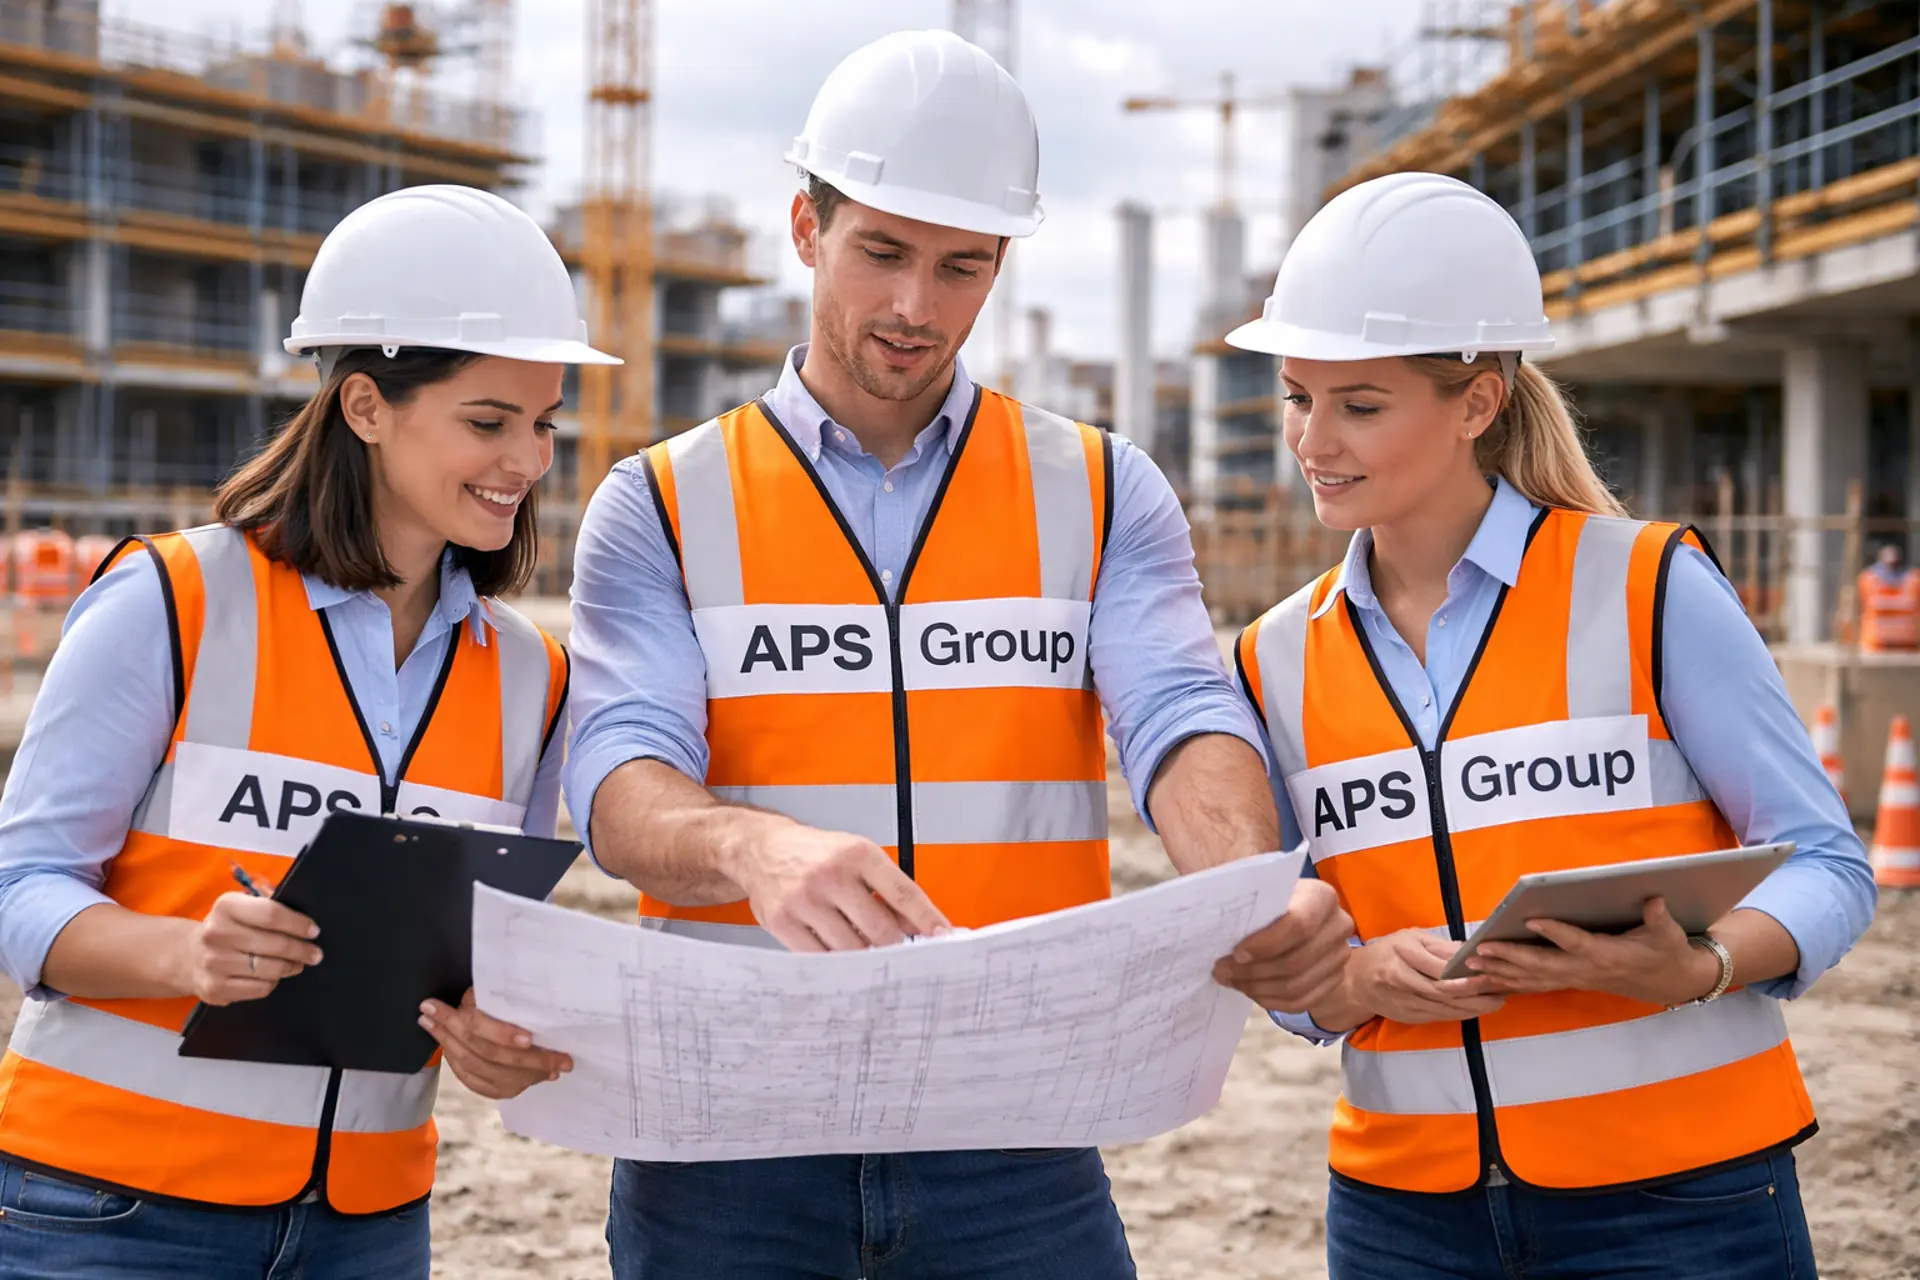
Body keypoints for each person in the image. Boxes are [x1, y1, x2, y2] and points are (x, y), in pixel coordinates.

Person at [566, 29, 1354, 1279]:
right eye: (881, 251)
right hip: (727, 1139)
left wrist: (1251, 890)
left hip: (1016, 1129)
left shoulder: (1099, 489)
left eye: (961, 266)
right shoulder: (660, 501)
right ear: (805, 226)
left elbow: (1179, 714)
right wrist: (752, 846)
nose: (913, 307)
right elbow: (618, 780)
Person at [1227, 172, 1876, 1279]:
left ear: (1477, 401)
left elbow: (1827, 864)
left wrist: (1704, 965)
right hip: (1405, 1215)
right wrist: (1355, 978)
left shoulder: (1647, 586)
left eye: (1360, 403)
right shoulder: (1272, 658)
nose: (1313, 440)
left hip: (1679, 1199)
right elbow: (1290, 972)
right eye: (1298, 396)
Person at [0, 184, 618, 1278]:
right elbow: (20, 886)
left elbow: (480, 954)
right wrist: (184, 953)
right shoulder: (175, 600)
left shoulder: (537, 677)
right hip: (111, 1209)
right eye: (488, 420)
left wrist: (492, 1031)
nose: (528, 461)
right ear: (366, 406)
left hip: (369, 1224)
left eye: (542, 423)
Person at [1858, 541, 1920, 652]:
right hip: (1876, 644)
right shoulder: (1870, 578)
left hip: (1908, 644)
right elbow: (1869, 603)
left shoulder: (1913, 578)